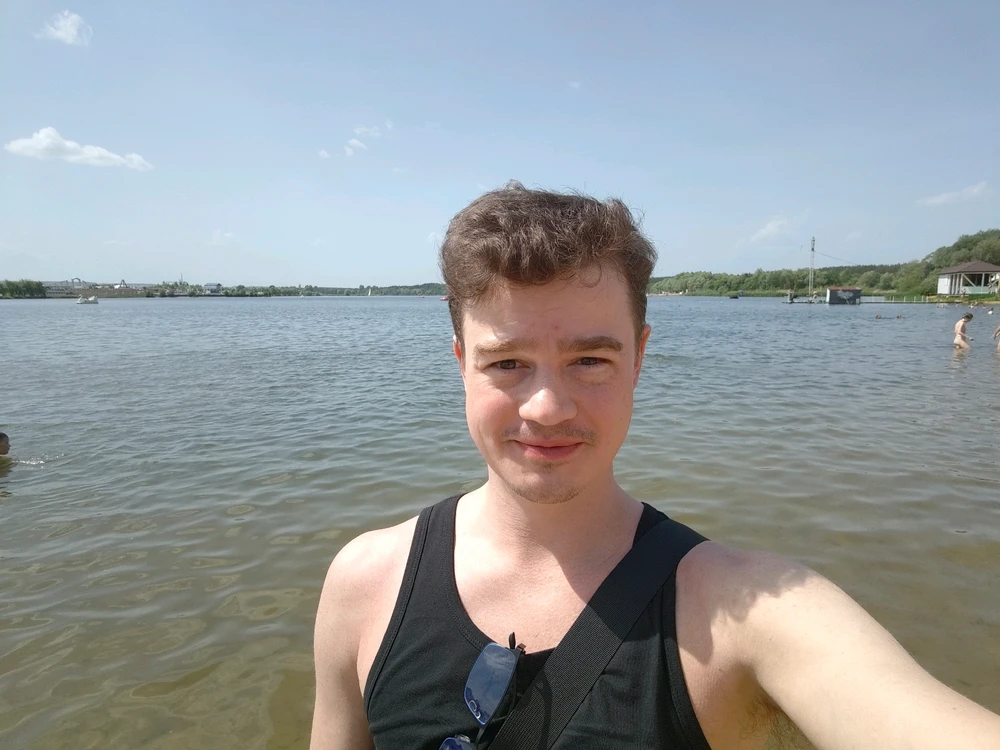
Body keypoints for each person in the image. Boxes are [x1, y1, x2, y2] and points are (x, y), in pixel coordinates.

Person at [310, 183, 1000, 749]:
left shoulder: (743, 613)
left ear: (638, 358)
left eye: (590, 359)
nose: (547, 407)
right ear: (462, 363)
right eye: (508, 362)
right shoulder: (365, 585)